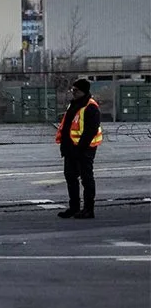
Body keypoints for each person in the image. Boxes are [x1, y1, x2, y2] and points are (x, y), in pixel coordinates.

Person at [56, 78, 103, 219]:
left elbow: (91, 130)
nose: (73, 92)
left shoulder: (90, 107)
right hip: (70, 148)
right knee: (70, 177)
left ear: (83, 91)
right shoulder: (74, 105)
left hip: (84, 149)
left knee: (86, 178)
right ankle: (74, 207)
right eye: (73, 90)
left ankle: (88, 209)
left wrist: (80, 148)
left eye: (76, 90)